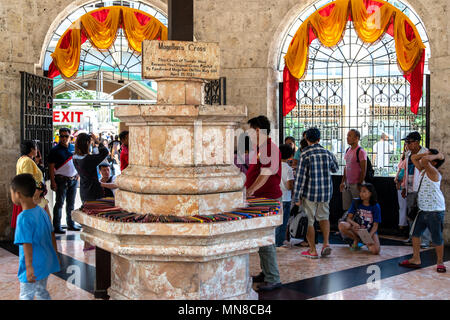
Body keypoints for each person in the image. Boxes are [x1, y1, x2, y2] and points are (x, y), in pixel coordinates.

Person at [245, 115, 282, 291]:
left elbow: (266, 173)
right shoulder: (260, 149)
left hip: (268, 199)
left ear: (258, 130)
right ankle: (266, 272)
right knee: (262, 239)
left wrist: (250, 190)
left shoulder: (269, 148)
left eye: (250, 131)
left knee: (267, 240)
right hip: (261, 199)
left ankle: (273, 278)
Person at [11, 174, 60, 300]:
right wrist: (55, 254)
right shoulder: (42, 211)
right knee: (40, 291)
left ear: (18, 194)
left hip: (33, 264)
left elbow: (26, 244)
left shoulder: (23, 218)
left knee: (26, 295)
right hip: (45, 262)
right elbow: (51, 233)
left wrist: (28, 267)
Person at [293, 127, 339, 259]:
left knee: (309, 221)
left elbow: (300, 178)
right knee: (324, 217)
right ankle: (326, 244)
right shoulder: (327, 152)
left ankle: (312, 250)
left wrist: (297, 196)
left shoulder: (305, 154)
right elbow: (335, 169)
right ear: (319, 139)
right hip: (325, 193)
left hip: (310, 194)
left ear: (306, 139)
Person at [399, 149, 446, 273]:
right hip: (423, 209)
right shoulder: (424, 170)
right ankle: (416, 258)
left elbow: (424, 160)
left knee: (437, 238)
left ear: (434, 162)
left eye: (428, 154)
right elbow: (414, 158)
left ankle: (440, 263)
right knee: (415, 234)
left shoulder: (433, 171)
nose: (425, 155)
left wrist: (437, 155)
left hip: (435, 210)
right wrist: (431, 155)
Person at [400, 132, 432, 247]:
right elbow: (406, 171)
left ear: (417, 142)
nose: (407, 145)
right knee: (411, 215)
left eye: (409, 142)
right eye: (406, 142)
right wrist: (404, 187)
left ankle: (424, 240)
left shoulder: (425, 153)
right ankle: (412, 237)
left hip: (422, 190)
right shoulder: (408, 154)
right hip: (410, 189)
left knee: (423, 216)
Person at [11, 140, 50, 229]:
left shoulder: (22, 159)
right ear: (32, 149)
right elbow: (28, 180)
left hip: (32, 194)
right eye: (36, 148)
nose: (37, 150)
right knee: (38, 223)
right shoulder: (27, 161)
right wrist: (37, 192)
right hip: (32, 196)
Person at [48, 127, 80, 234]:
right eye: (62, 136)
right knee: (59, 203)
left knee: (71, 203)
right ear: (59, 137)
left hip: (73, 180)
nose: (64, 138)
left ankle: (70, 224)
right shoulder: (55, 150)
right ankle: (57, 226)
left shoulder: (73, 148)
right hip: (61, 180)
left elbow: (77, 162)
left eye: (66, 136)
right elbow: (51, 167)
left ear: (70, 137)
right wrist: (53, 181)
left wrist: (78, 174)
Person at [338, 183, 381, 254]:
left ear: (370, 193)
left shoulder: (375, 206)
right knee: (342, 225)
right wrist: (354, 224)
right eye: (360, 191)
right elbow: (348, 219)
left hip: (369, 231)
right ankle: (356, 239)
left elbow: (375, 226)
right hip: (357, 229)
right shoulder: (356, 202)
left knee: (375, 251)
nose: (361, 193)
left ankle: (364, 242)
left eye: (364, 191)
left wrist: (369, 237)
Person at [73, 133, 110, 203]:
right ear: (87, 144)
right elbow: (105, 152)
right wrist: (96, 140)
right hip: (93, 192)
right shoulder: (88, 159)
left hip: (84, 191)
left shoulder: (74, 157)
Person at [340, 129, 367, 214]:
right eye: (347, 135)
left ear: (357, 138)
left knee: (357, 207)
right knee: (347, 208)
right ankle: (348, 225)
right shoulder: (348, 150)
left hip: (356, 184)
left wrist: (360, 184)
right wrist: (343, 182)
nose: (347, 138)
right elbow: (346, 167)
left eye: (349, 136)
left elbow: (363, 170)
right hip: (347, 184)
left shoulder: (361, 151)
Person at [276, 144, 295, 247]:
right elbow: (288, 186)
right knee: (283, 222)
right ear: (290, 156)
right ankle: (279, 243)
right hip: (286, 198)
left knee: (276, 222)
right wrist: (293, 185)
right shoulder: (288, 169)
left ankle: (274, 242)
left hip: (276, 197)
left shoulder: (275, 166)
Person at [394, 144, 409, 238]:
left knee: (407, 207)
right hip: (400, 185)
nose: (406, 146)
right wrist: (396, 179)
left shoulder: (411, 158)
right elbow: (400, 170)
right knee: (402, 207)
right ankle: (402, 226)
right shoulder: (404, 156)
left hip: (407, 185)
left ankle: (404, 227)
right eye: (405, 145)